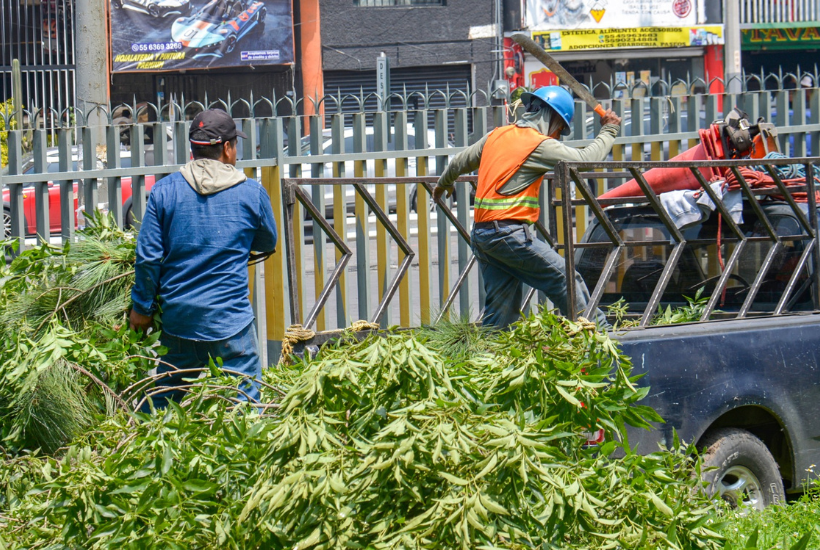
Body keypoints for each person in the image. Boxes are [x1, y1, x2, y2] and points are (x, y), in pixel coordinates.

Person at [432, 85, 621, 328]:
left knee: (500, 314)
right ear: (552, 118)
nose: (556, 136)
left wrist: (441, 185)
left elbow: (458, 161)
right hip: (508, 235)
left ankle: (490, 359)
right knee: (566, 279)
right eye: (560, 129)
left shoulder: (496, 135)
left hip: (482, 236)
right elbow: (586, 160)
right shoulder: (539, 144)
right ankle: (601, 338)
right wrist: (609, 130)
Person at [130, 108, 277, 408]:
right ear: (226, 148)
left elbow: (148, 258)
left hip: (179, 321)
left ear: (193, 149)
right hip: (230, 323)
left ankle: (140, 436)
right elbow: (267, 241)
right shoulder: (252, 193)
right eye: (235, 144)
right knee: (245, 403)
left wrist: (141, 309)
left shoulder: (163, 191)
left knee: (163, 401)